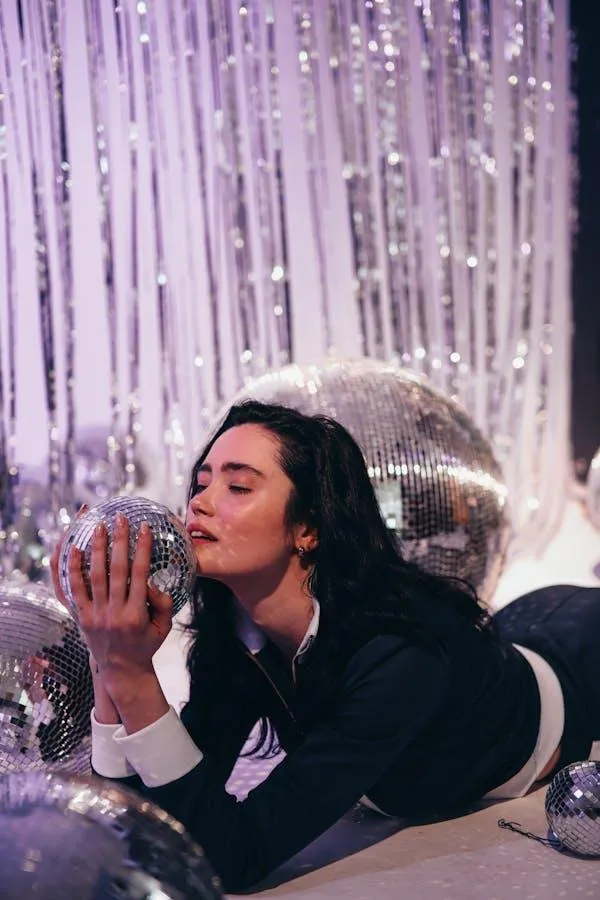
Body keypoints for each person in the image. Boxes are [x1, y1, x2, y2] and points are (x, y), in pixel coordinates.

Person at [50, 401, 600, 893]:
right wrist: (108, 657)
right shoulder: (240, 636)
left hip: (579, 658)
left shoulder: (399, 659)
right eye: (200, 483)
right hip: (519, 632)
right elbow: (146, 821)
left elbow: (237, 859)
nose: (200, 504)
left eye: (237, 487)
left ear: (307, 528)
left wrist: (131, 672)